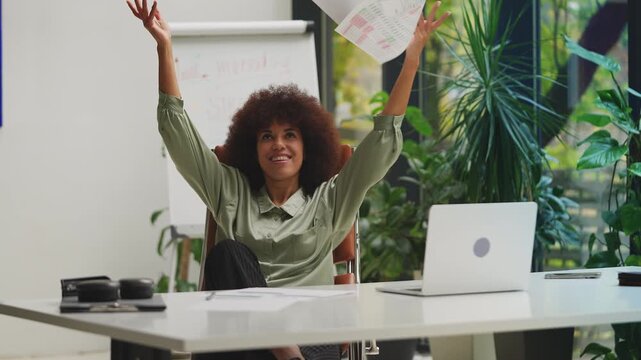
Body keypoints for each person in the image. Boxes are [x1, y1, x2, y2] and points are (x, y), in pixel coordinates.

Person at [127, 1, 449, 359]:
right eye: (266, 136)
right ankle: (284, 351)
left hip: (312, 337)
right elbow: (175, 129)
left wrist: (412, 61)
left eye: (290, 135)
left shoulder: (331, 200)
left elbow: (383, 140)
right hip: (244, 340)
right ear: (253, 147)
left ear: (307, 145)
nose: (278, 144)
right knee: (226, 255)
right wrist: (164, 46)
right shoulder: (230, 190)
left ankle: (287, 351)